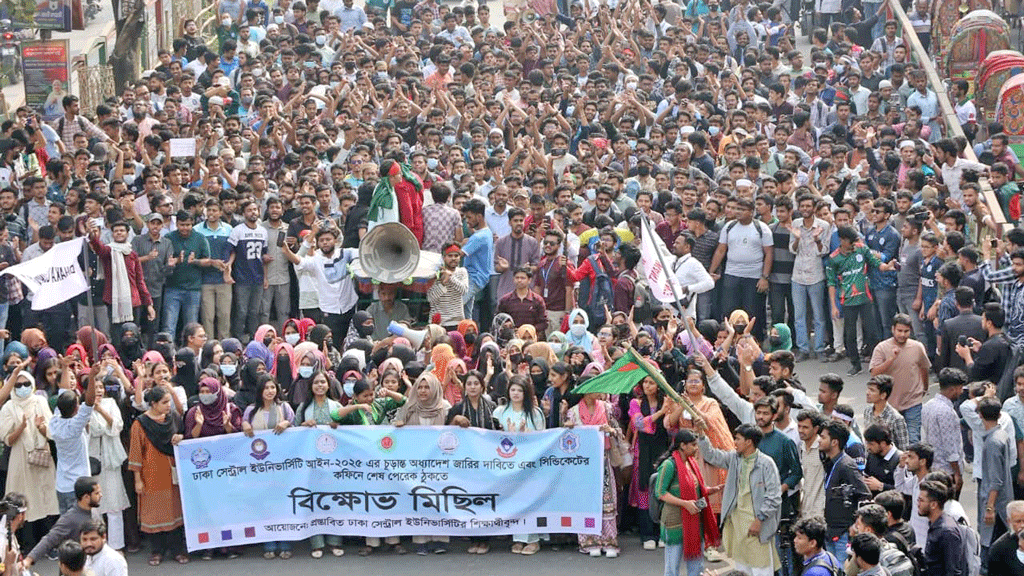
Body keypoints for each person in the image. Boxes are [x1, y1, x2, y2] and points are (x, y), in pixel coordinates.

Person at [696, 422, 782, 576]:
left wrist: (759, 519)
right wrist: (702, 435)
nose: (734, 442)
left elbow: (774, 497)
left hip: (758, 526)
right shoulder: (734, 458)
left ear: (749, 442)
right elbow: (711, 455)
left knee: (761, 568)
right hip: (737, 523)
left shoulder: (766, 463)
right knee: (742, 569)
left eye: (737, 439)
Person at [128, 385, 187, 565]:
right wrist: (138, 480)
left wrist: (181, 437)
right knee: (154, 513)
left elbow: (183, 433)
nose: (168, 405)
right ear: (153, 404)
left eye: (169, 401)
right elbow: (136, 452)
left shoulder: (173, 418)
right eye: (164, 402)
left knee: (175, 511)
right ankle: (157, 551)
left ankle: (177, 550)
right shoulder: (140, 424)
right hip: (151, 475)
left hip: (173, 474)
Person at [0, 362, 59, 541]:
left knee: (45, 498)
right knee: (24, 501)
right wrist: (21, 427)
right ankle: (27, 543)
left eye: (27, 384)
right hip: (20, 459)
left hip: (41, 457)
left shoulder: (40, 401)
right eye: (18, 385)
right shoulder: (9, 407)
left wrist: (40, 427)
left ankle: (48, 542)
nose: (23, 388)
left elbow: (51, 431)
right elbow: (7, 439)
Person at [655, 429, 723, 576]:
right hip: (675, 523)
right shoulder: (669, 465)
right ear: (682, 445)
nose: (696, 448)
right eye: (693, 445)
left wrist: (713, 489)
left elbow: (698, 490)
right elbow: (660, 492)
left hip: (695, 520)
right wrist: (685, 503)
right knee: (672, 569)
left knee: (697, 568)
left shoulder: (692, 463)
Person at [566, 389, 624, 557]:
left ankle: (609, 540)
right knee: (586, 500)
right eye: (595, 388)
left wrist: (610, 430)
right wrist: (568, 428)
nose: (599, 392)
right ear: (585, 391)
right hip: (582, 462)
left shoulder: (607, 408)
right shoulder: (573, 412)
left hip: (603, 459)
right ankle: (589, 540)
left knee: (607, 500)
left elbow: (618, 431)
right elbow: (568, 440)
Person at [629, 375, 674, 550]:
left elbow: (672, 427)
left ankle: (662, 533)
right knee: (644, 491)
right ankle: (647, 534)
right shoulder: (636, 403)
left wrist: (669, 411)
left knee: (663, 490)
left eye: (651, 383)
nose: (647, 386)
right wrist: (661, 412)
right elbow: (639, 424)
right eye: (645, 382)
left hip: (663, 451)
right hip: (643, 454)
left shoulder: (668, 402)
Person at [819, 420, 871, 563]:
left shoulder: (846, 465)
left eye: (823, 437)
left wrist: (854, 526)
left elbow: (865, 495)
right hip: (831, 530)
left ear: (834, 442)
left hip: (843, 534)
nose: (819, 440)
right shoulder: (831, 462)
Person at [23, 476, 102, 568]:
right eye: (97, 493)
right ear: (86, 497)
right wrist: (29, 559)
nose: (101, 495)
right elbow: (49, 539)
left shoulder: (94, 511)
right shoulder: (69, 519)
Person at [921, 368, 967, 496]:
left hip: (932, 467)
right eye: (960, 388)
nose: (961, 391)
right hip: (947, 471)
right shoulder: (946, 412)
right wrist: (957, 473)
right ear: (952, 389)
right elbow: (950, 447)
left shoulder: (928, 405)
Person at [919, 479, 966, 576]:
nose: (918, 504)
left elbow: (953, 571)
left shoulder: (947, 532)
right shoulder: (934, 525)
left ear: (933, 505)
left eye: (921, 500)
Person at [863, 375, 910, 449]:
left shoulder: (896, 418)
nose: (867, 393)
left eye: (872, 390)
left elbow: (903, 447)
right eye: (868, 389)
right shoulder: (867, 412)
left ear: (883, 395)